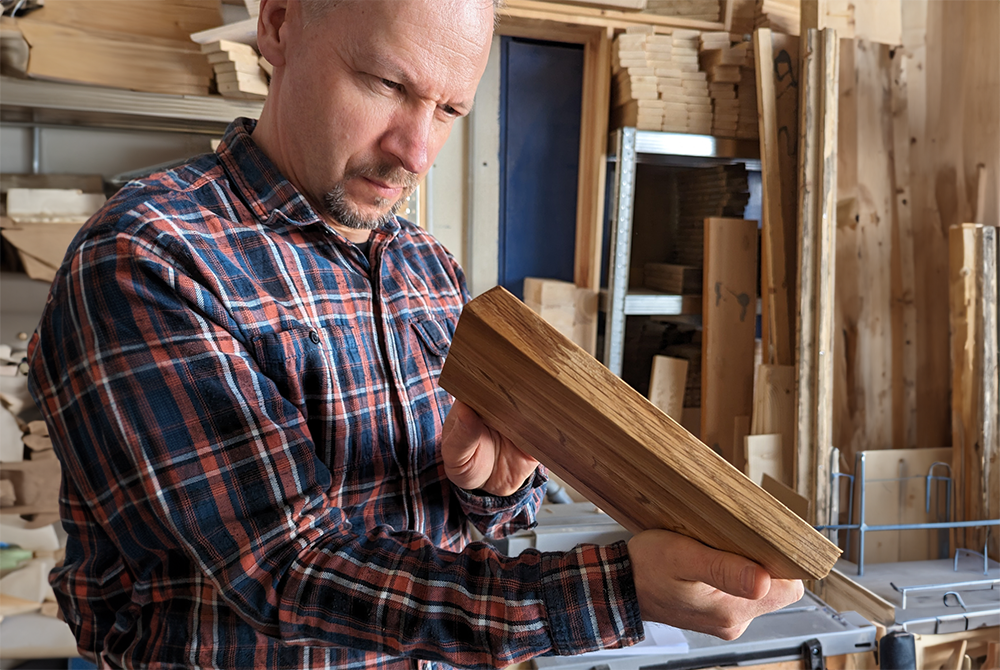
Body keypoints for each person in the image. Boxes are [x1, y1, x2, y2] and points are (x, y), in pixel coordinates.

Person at [26, 0, 803, 667]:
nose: (417, 151)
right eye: (387, 84)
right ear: (279, 22)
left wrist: (492, 494)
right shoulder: (152, 255)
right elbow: (289, 570)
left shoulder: (426, 270)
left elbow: (465, 537)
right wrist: (613, 590)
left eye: (450, 110)